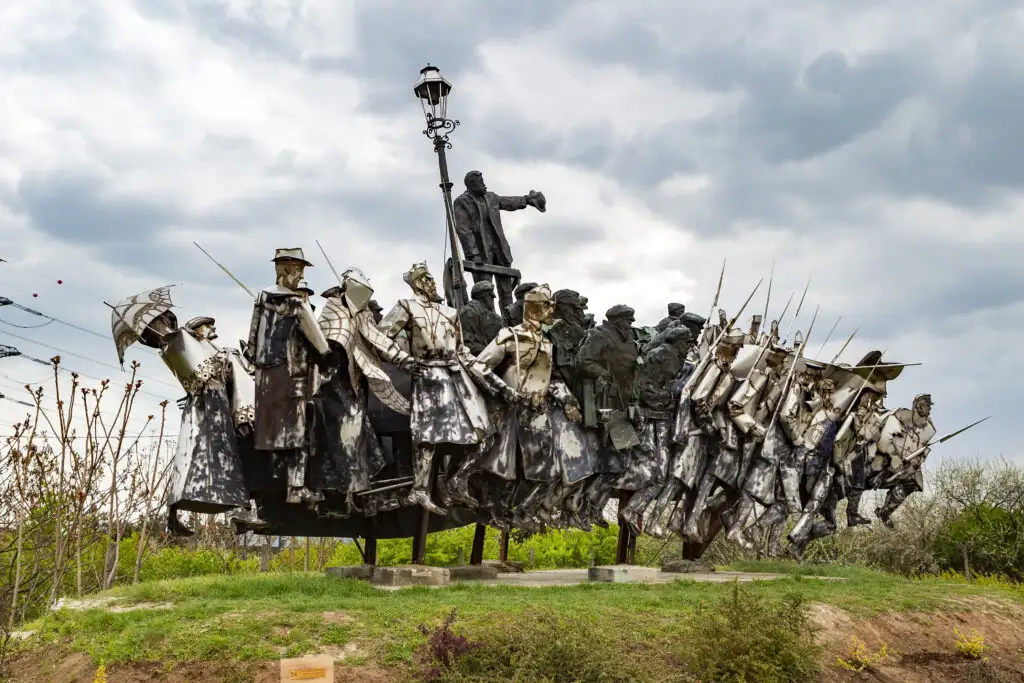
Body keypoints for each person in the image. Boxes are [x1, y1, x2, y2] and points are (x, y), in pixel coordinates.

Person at [378, 262, 490, 514]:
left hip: (454, 377)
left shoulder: (449, 313)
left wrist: (492, 381)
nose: (432, 282)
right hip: (426, 374)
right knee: (427, 437)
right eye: (426, 278)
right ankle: (420, 490)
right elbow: (381, 335)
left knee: (476, 436)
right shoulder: (406, 306)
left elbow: (463, 351)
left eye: (431, 278)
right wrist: (402, 359)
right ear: (417, 283)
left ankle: (453, 482)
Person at [246, 248, 330, 505]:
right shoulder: (297, 303)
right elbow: (320, 343)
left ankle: (273, 486)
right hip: (292, 377)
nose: (300, 276)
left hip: (265, 379)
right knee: (298, 437)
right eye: (298, 270)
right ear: (285, 269)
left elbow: (251, 340)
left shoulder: (262, 298)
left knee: (270, 437)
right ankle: (296, 489)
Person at [452, 170, 545, 312]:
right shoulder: (462, 201)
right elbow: (463, 229)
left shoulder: (491, 197)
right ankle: (490, 321)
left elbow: (508, 202)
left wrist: (527, 199)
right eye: (480, 182)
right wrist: (473, 252)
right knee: (485, 290)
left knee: (506, 290)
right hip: (481, 252)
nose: (484, 184)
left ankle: (509, 320)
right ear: (471, 185)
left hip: (500, 249)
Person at [459, 281, 504, 355]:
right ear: (486, 297)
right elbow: (466, 344)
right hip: (474, 360)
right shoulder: (468, 312)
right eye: (492, 297)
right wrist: (491, 352)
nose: (493, 300)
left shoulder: (494, 317)